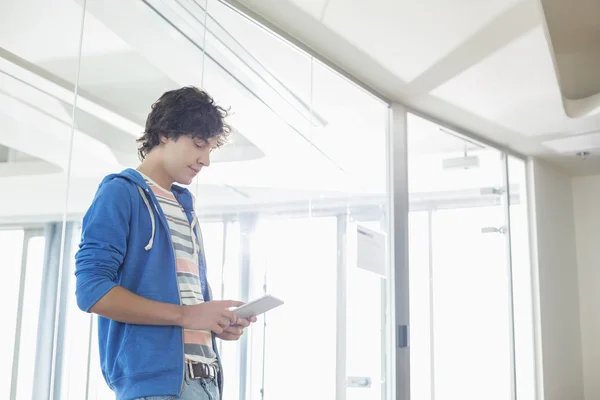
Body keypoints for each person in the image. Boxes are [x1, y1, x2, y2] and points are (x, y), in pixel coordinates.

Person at [74, 86, 255, 400]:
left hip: (205, 383)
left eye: (210, 149)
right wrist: (188, 315)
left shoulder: (185, 206)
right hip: (155, 388)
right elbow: (91, 291)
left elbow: (182, 305)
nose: (206, 160)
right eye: (199, 145)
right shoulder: (121, 192)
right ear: (166, 134)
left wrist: (215, 323)